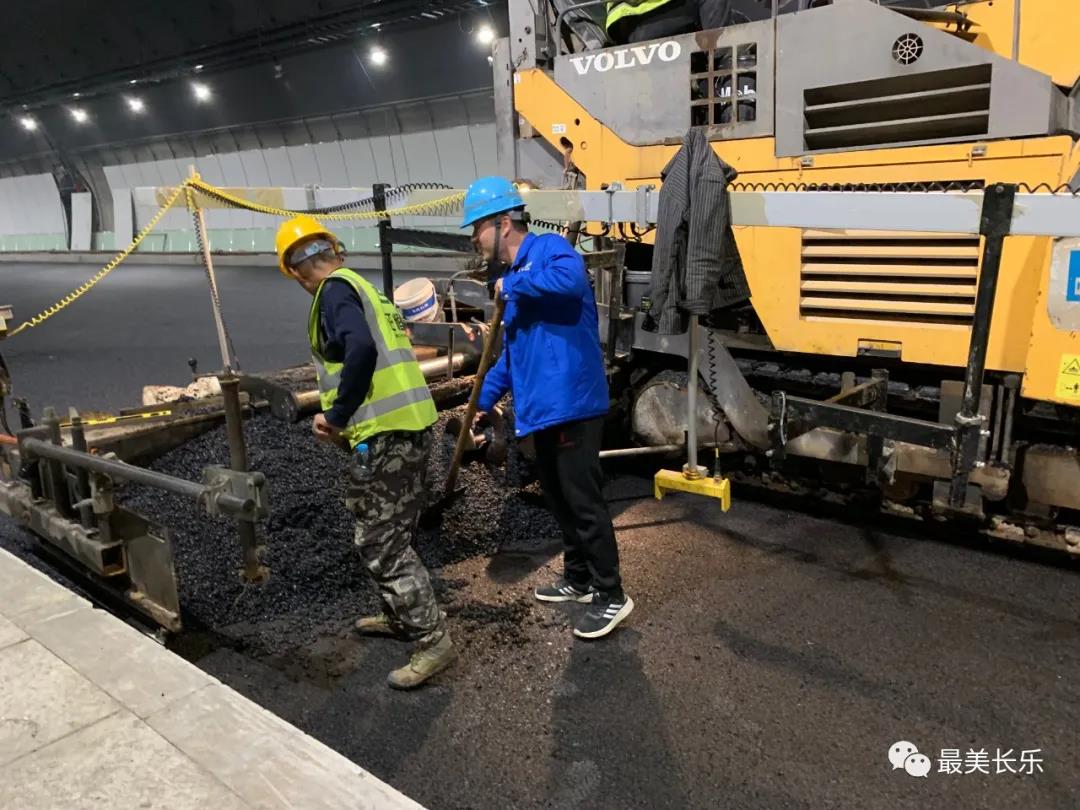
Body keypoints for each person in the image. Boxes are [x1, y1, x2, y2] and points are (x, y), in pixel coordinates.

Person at [274, 215, 456, 689]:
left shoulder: (333, 293)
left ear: (294, 271)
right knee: (395, 530)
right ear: (333, 249)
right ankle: (402, 617)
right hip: (412, 427)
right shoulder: (365, 288)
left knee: (380, 542)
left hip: (385, 435)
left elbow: (359, 351)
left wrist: (336, 418)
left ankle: (432, 640)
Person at [463, 177, 633, 639]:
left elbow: (570, 280)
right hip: (542, 410)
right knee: (560, 500)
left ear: (502, 223)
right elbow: (512, 358)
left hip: (573, 404)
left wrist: (511, 283)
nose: (474, 242)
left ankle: (612, 595)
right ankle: (578, 580)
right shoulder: (516, 287)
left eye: (476, 230)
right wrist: (480, 402)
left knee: (583, 502)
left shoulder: (552, 251)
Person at [605, 0, 770, 45]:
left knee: (737, 21)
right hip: (650, 12)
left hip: (625, 24)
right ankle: (722, 66)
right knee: (725, 50)